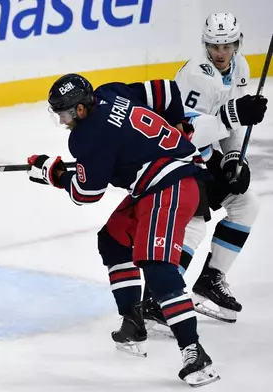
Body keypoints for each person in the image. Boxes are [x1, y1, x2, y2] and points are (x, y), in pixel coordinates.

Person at [27, 74, 218, 387]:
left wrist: (54, 173)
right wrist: (177, 126)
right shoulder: (110, 91)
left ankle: (195, 353)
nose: (62, 121)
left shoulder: (86, 137)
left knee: (156, 263)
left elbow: (86, 194)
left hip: (172, 184)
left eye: (64, 114)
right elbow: (167, 91)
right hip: (159, 180)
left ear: (80, 110)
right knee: (113, 239)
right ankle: (133, 321)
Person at [166, 12, 268, 323]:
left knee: (246, 204)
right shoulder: (198, 76)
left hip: (206, 152)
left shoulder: (241, 67)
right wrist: (235, 115)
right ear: (205, 45)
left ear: (238, 43)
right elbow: (187, 133)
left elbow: (232, 122)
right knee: (195, 223)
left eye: (226, 45)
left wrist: (234, 157)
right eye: (214, 46)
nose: (220, 53)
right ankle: (162, 296)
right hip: (178, 155)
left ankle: (210, 279)